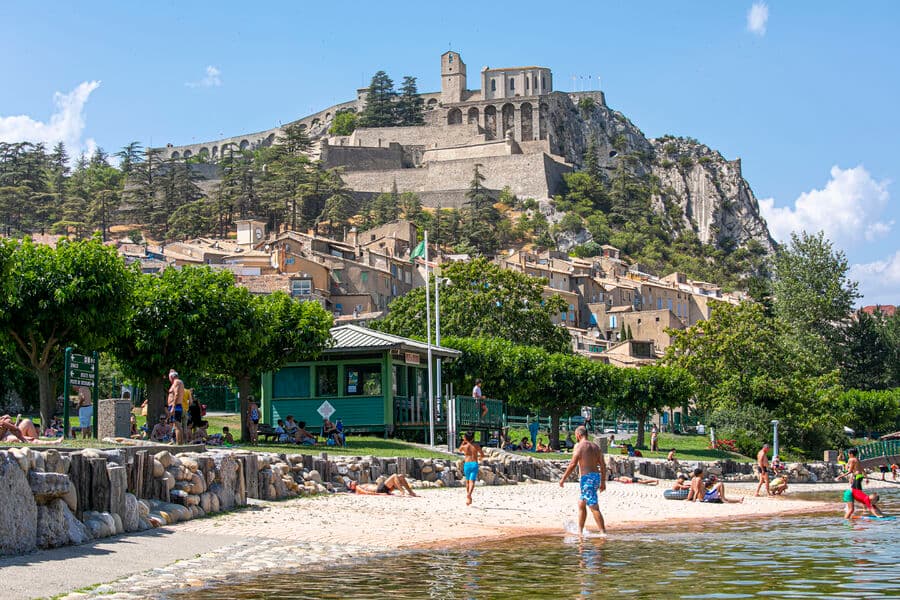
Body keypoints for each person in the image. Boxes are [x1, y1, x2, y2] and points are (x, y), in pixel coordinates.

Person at [559, 425, 608, 536]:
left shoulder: (579, 446)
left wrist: (563, 479)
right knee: (582, 503)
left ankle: (603, 533)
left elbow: (572, 464)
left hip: (587, 479)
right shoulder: (596, 447)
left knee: (593, 506)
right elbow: (603, 465)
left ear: (578, 435)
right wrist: (603, 482)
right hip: (595, 477)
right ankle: (580, 531)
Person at [459, 431, 485, 506]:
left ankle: (468, 496)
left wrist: (463, 442)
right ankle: (469, 495)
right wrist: (479, 458)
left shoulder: (464, 446)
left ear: (466, 438)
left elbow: (459, 450)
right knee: (472, 481)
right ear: (473, 438)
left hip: (467, 464)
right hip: (474, 464)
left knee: (467, 481)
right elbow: (482, 455)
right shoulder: (476, 445)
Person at [348, 474, 417, 496]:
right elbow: (366, 493)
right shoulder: (357, 488)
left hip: (381, 488)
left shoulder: (359, 485)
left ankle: (411, 492)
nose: (353, 481)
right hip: (379, 490)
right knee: (394, 476)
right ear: (352, 487)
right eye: (351, 482)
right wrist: (380, 494)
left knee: (401, 476)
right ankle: (402, 492)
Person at [166, 370, 185, 445]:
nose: (169, 380)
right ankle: (178, 442)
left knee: (177, 425)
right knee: (175, 425)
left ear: (171, 377)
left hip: (176, 406)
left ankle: (179, 443)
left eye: (169, 378)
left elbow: (176, 394)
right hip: (174, 406)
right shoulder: (177, 382)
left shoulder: (177, 382)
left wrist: (173, 406)